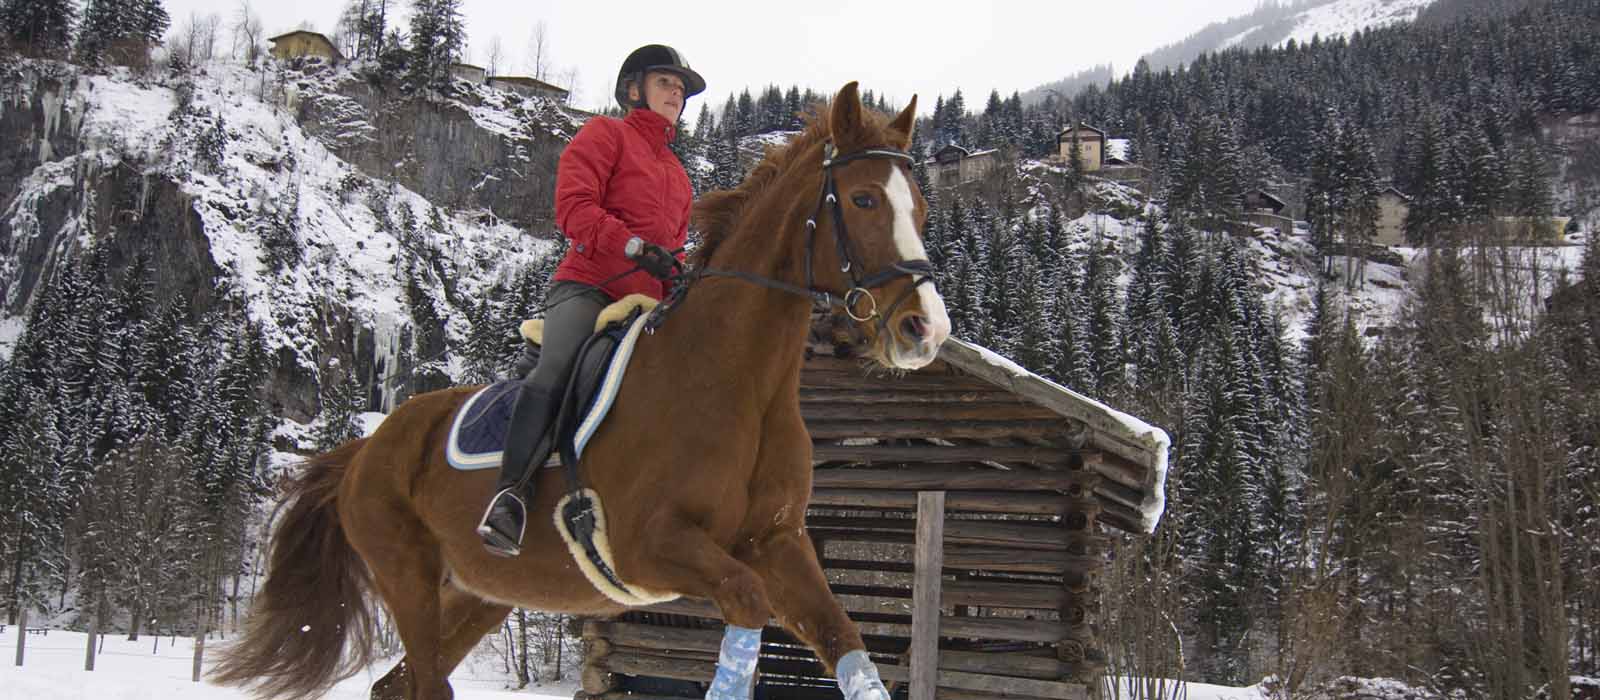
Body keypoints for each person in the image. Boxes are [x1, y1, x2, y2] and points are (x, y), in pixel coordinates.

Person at [477, 44, 705, 558]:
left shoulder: (679, 175)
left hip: (647, 308)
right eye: (667, 82)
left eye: (681, 89)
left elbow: (674, 251)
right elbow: (574, 208)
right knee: (555, 369)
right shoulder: (605, 134)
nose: (676, 94)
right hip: (589, 286)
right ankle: (510, 496)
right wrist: (633, 246)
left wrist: (683, 274)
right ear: (634, 89)